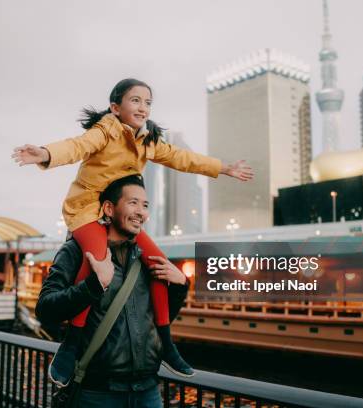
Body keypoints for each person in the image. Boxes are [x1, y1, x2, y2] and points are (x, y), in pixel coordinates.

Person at [13, 78, 253, 383]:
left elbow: (182, 158)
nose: (143, 107)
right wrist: (46, 154)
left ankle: (165, 342)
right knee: (95, 259)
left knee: (158, 264)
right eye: (135, 100)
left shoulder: (147, 141)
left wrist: (223, 168)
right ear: (116, 107)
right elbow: (77, 146)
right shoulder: (105, 131)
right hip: (88, 209)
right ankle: (71, 344)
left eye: (148, 102)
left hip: (121, 213)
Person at [36, 174, 189, 407]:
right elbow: (46, 310)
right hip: (97, 393)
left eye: (145, 205)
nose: (141, 212)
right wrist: (93, 286)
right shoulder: (76, 251)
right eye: (133, 203)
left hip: (148, 390)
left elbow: (155, 321)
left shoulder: (146, 258)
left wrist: (180, 286)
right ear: (108, 208)